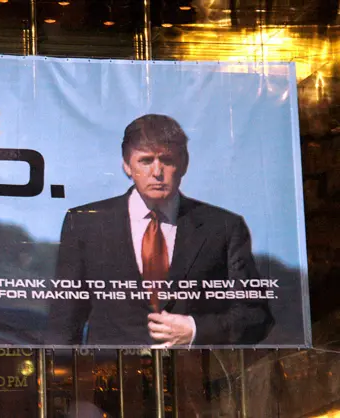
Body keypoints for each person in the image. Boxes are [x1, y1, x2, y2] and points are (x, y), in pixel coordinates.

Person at [48, 114, 274, 347]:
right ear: (126, 165)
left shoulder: (224, 227)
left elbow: (256, 316)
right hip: (108, 376)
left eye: (166, 160)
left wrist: (196, 330)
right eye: (146, 161)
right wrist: (64, 379)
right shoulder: (85, 223)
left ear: (184, 164)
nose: (157, 171)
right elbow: (64, 320)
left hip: (195, 373)